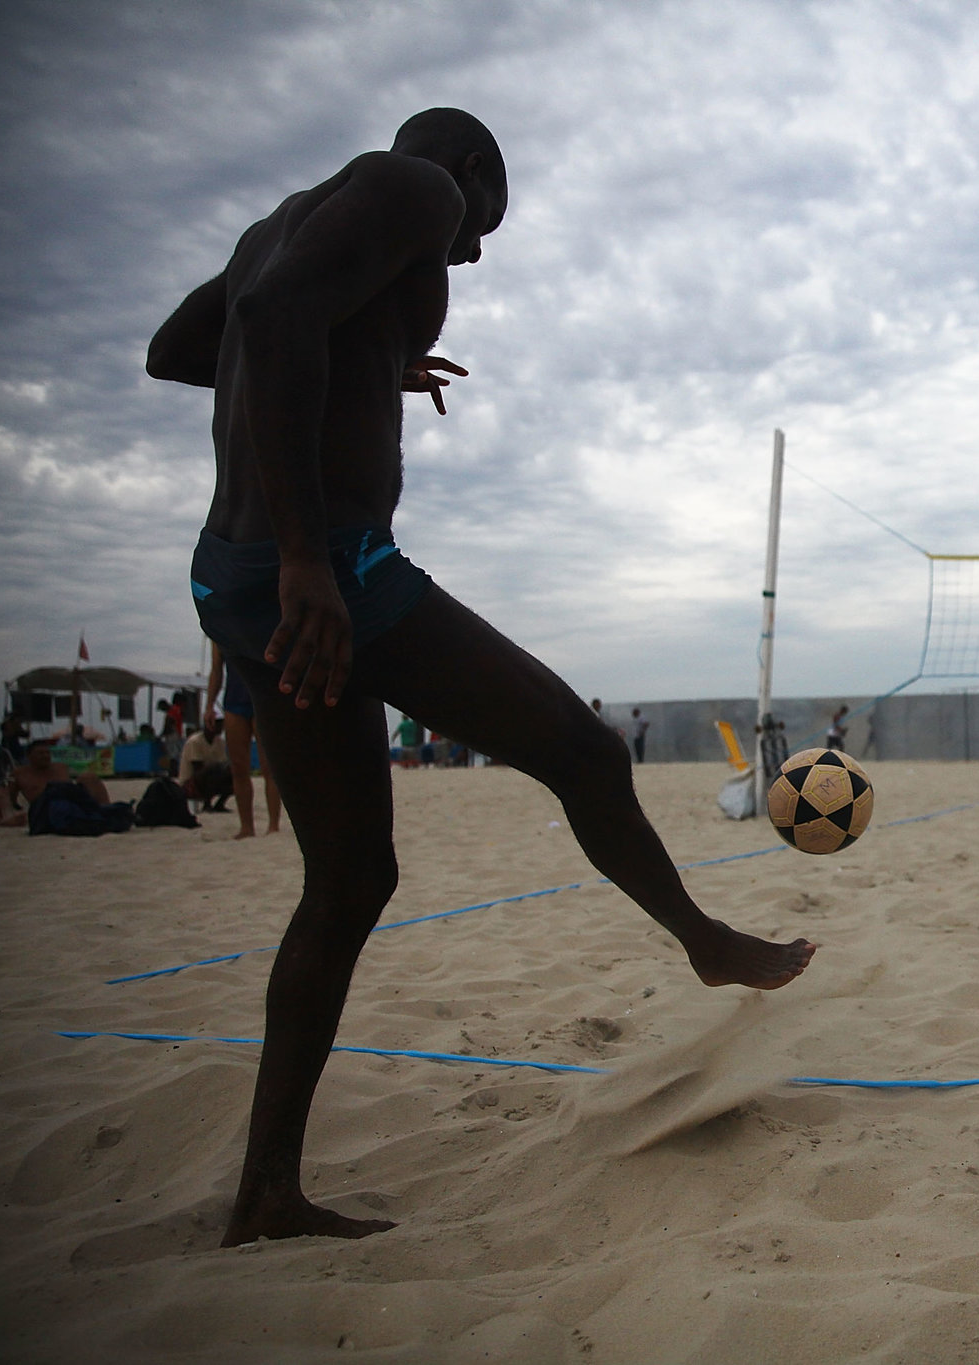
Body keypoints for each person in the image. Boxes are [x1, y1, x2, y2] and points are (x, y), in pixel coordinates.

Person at [147, 107, 815, 1246]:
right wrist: (310, 553)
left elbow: (182, 347)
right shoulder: (421, 187)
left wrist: (365, 356)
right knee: (584, 751)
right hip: (328, 571)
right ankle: (702, 940)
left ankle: (264, 1193)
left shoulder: (273, 227)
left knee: (349, 881)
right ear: (468, 171)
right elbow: (267, 317)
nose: (471, 250)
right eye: (483, 223)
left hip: (231, 576)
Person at [209, 641, 282, 837]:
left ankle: (273, 824)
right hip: (235, 701)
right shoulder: (219, 629)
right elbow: (216, 670)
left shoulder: (258, 618)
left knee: (269, 768)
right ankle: (246, 826)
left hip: (263, 697)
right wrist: (209, 706)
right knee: (239, 768)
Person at [11, 739, 110, 807]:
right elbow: (10, 798)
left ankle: (106, 808)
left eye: (47, 753)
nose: (45, 756)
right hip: (46, 808)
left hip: (72, 802)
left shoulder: (60, 767)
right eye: (40, 753)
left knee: (89, 777)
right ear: (29, 756)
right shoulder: (20, 773)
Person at [178, 719, 231, 809]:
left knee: (233, 773)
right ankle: (207, 803)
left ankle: (220, 804)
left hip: (210, 777)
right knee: (213, 772)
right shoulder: (195, 741)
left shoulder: (220, 742)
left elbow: (222, 763)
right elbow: (197, 768)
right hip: (190, 782)